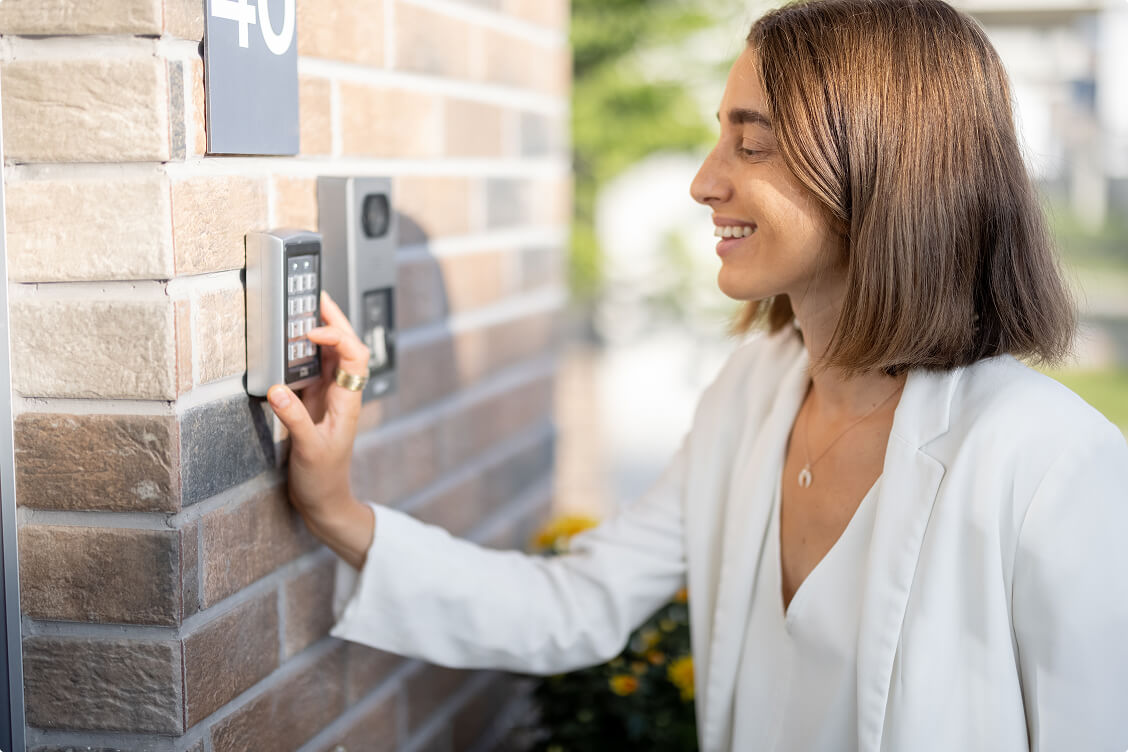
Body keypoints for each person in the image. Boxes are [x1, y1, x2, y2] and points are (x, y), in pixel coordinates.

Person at [266, 0, 1128, 749]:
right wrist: (337, 508)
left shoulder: (1052, 465)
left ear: (879, 172)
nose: (703, 182)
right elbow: (580, 602)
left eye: (750, 146)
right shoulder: (751, 394)